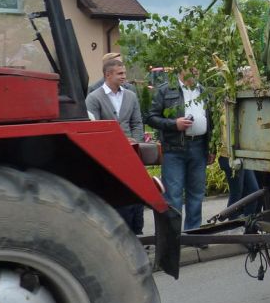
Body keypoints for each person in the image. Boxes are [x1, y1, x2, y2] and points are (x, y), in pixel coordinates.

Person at [146, 67, 214, 231]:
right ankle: (173, 237)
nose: (195, 71)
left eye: (197, 68)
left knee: (196, 194)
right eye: (191, 68)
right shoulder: (165, 90)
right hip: (174, 150)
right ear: (180, 70)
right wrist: (174, 124)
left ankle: (193, 233)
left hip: (198, 147)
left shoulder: (203, 91)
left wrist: (211, 148)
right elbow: (150, 117)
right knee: (173, 196)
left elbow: (212, 122)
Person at [85, 58, 145, 234]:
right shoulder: (93, 98)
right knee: (116, 197)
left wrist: (135, 140)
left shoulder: (131, 96)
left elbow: (137, 124)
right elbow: (92, 128)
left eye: (124, 73)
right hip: (108, 157)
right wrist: (118, 143)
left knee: (135, 194)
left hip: (131, 154)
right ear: (107, 75)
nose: (124, 76)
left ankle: (137, 233)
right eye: (120, 74)